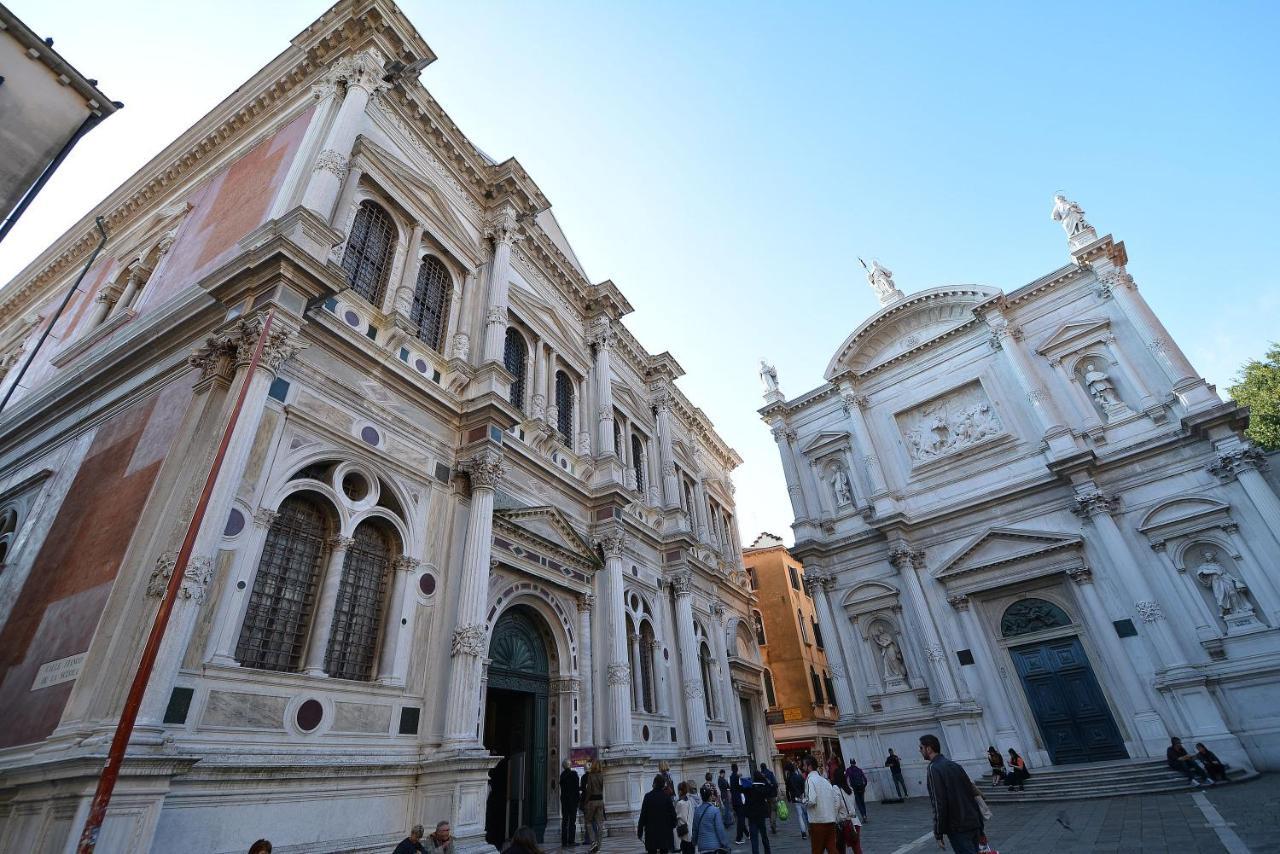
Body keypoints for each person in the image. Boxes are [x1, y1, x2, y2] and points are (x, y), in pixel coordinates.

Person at [919, 735, 983, 854]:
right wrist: (980, 825)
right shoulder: (955, 765)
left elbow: (939, 803)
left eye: (921, 748)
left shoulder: (934, 769)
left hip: (957, 826)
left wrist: (938, 833)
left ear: (929, 749)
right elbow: (972, 794)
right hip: (973, 822)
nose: (920, 751)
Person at [802, 755, 838, 854]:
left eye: (804, 765)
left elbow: (811, 800)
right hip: (830, 820)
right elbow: (834, 799)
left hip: (817, 822)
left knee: (817, 850)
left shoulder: (810, 780)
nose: (803, 768)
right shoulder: (825, 781)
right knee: (832, 849)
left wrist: (803, 800)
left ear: (809, 767)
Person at [639, 774, 678, 854]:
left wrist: (640, 831)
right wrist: (672, 825)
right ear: (663, 785)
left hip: (651, 834)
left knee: (652, 851)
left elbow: (643, 815)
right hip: (665, 832)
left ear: (654, 784)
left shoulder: (648, 797)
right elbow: (673, 815)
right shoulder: (666, 797)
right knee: (664, 851)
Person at [742, 770, 774, 854]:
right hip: (760, 815)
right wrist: (765, 779)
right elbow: (771, 790)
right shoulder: (762, 787)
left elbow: (741, 788)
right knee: (764, 835)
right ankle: (767, 852)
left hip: (752, 815)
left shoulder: (749, 788)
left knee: (754, 837)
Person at [693, 785, 732, 854]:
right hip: (714, 847)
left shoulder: (697, 811)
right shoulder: (715, 810)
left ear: (701, 797)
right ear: (710, 797)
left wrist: (694, 842)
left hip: (702, 847)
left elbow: (695, 829)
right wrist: (726, 844)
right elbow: (720, 829)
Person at [831, 773, 863, 854]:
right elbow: (853, 805)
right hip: (855, 822)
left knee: (840, 848)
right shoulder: (850, 789)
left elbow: (836, 805)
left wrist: (833, 817)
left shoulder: (836, 788)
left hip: (844, 823)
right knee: (856, 848)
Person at [582, 760, 606, 852]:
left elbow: (589, 790)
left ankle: (593, 842)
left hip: (592, 801)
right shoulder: (602, 776)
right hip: (600, 801)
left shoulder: (590, 776)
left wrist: (586, 801)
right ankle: (598, 848)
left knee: (588, 821)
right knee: (600, 825)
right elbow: (602, 788)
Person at [559, 760, 580, 848]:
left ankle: (564, 842)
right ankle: (571, 841)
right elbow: (576, 788)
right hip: (573, 801)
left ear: (563, 766)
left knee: (565, 820)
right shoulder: (574, 774)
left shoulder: (562, 776)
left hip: (564, 800)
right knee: (572, 821)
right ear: (570, 765)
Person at [786, 762, 809, 840]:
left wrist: (789, 798)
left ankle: (803, 833)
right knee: (806, 814)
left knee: (800, 816)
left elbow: (787, 789)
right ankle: (810, 829)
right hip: (802, 796)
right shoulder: (799, 777)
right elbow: (804, 786)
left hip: (795, 798)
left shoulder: (789, 779)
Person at [758, 763, 779, 834]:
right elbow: (775, 783)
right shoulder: (770, 773)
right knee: (773, 810)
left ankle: (771, 824)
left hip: (765, 796)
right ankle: (773, 824)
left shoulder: (760, 775)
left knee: (769, 810)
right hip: (772, 794)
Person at [730, 762, 747, 843]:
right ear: (736, 769)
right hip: (739, 800)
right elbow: (741, 788)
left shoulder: (730, 777)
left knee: (740, 818)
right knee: (741, 819)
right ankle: (738, 838)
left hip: (734, 800)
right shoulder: (737, 777)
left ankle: (747, 834)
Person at [677, 782, 696, 854]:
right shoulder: (689, 801)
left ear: (680, 791)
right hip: (690, 830)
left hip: (684, 831)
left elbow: (678, 817)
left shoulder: (680, 803)